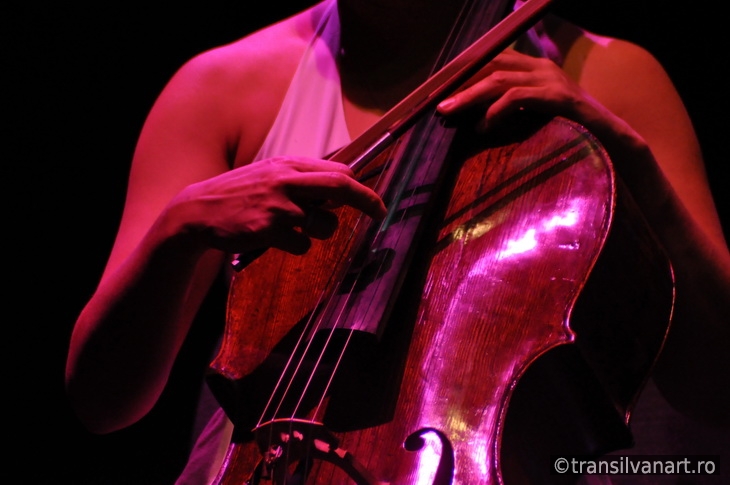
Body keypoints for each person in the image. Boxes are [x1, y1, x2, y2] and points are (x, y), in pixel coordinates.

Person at [65, 0, 730, 483]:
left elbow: (715, 387)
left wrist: (627, 160)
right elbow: (103, 402)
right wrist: (178, 229)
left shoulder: (607, 78)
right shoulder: (223, 89)